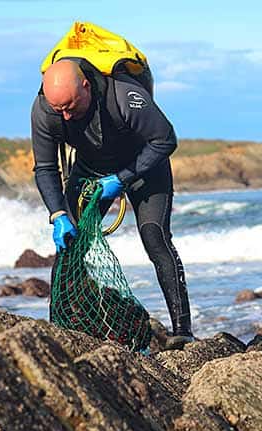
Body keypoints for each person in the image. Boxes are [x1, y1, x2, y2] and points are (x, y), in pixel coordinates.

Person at [31, 59, 194, 349]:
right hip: (90, 170)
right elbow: (45, 168)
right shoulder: (45, 110)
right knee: (69, 246)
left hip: (144, 165)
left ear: (86, 86)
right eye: (60, 110)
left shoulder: (124, 95)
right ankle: (62, 328)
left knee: (155, 237)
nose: (66, 117)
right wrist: (58, 214)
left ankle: (182, 331)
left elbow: (165, 139)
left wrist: (122, 178)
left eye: (71, 106)